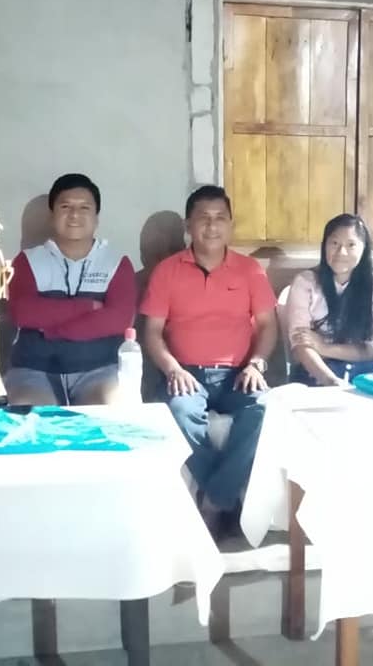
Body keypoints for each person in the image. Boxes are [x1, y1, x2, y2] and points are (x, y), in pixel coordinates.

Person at [140, 185, 277, 533]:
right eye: (203, 218)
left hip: (239, 374)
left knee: (265, 408)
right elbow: (152, 332)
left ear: (230, 224)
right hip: (187, 375)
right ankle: (225, 496)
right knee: (178, 414)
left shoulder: (250, 271)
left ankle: (215, 499)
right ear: (188, 225)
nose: (212, 226)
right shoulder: (167, 271)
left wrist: (257, 363)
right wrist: (173, 369)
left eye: (220, 218)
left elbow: (267, 325)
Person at [5, 173, 137, 405]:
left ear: (96, 218)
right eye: (65, 207)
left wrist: (53, 330)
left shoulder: (116, 262)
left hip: (98, 371)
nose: (75, 215)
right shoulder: (27, 261)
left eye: (84, 208)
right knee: (34, 418)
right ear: (52, 216)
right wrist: (87, 307)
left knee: (107, 416)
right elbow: (23, 313)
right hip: (34, 371)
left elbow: (118, 319)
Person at [286, 214, 373, 386]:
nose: (341, 252)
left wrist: (324, 348)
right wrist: (330, 380)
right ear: (324, 245)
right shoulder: (305, 282)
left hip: (367, 373)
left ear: (364, 248)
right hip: (316, 372)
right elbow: (301, 345)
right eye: (334, 243)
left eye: (351, 245)